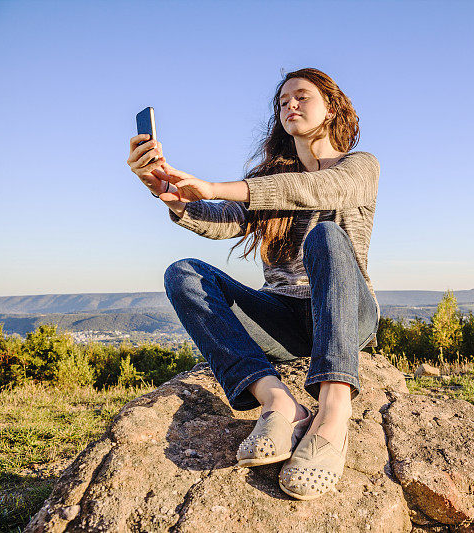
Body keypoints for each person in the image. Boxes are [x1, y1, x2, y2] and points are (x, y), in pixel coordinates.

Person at [125, 67, 380, 500]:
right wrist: (169, 196)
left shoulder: (360, 167)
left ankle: (333, 411)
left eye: (301, 96)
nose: (289, 105)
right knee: (183, 273)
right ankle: (279, 401)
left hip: (344, 314)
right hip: (281, 317)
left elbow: (316, 190)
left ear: (332, 107)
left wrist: (213, 186)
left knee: (325, 235)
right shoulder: (266, 179)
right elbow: (225, 221)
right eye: (282, 102)